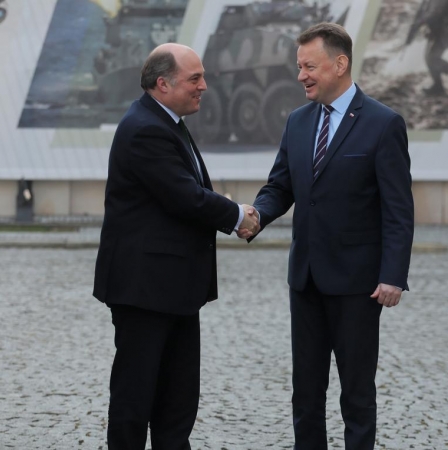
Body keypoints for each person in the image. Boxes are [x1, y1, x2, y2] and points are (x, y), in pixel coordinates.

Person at [240, 23, 414, 449]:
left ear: (340, 64)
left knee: (356, 394)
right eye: (299, 66)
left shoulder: (383, 124)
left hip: (358, 286)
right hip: (306, 281)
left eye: (309, 66)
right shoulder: (298, 122)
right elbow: (280, 186)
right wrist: (255, 216)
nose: (301, 75)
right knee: (306, 392)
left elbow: (398, 209)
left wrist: (393, 275)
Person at [93, 43, 260, 449]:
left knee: (177, 401)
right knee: (136, 401)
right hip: (145, 291)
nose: (204, 86)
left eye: (202, 76)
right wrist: (239, 216)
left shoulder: (165, 121)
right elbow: (185, 196)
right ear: (162, 84)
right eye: (195, 79)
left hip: (173, 290)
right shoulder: (146, 128)